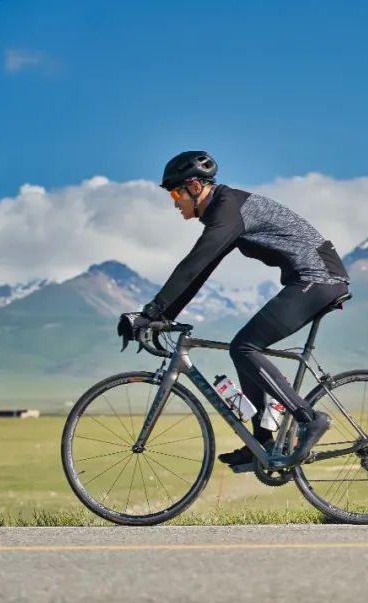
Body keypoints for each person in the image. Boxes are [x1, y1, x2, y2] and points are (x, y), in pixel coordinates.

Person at [125, 151, 350, 468]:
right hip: (312, 278)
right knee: (241, 348)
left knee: (245, 346)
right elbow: (202, 271)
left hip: (319, 278)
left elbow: (194, 264)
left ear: (193, 186)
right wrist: (162, 317)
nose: (175, 202)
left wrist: (150, 312)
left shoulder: (228, 210)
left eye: (175, 193)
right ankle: (262, 440)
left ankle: (308, 418)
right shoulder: (225, 211)